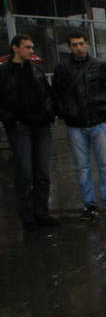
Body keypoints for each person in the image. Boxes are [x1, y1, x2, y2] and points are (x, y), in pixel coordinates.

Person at [52, 29, 106, 220]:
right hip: (75, 124)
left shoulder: (99, 65)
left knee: (105, 166)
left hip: (99, 122)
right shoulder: (62, 68)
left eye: (81, 43)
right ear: (69, 47)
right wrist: (63, 112)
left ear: (87, 43)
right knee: (82, 167)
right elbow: (56, 94)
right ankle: (90, 206)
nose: (78, 48)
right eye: (74, 45)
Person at [0, 35, 59, 231]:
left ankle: (42, 212)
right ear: (15, 48)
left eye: (32, 47)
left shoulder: (36, 70)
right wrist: (10, 119)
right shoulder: (4, 72)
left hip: (41, 126)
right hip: (19, 127)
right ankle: (27, 216)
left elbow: (47, 94)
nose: (31, 50)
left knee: (42, 172)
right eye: (27, 47)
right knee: (25, 172)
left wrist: (50, 113)